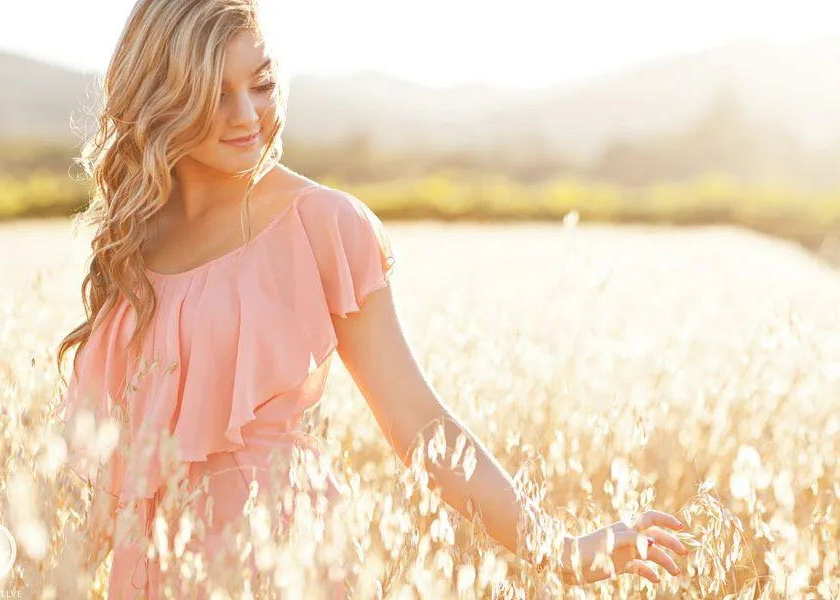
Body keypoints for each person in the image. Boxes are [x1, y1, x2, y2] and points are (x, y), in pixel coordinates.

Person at [54, 0, 689, 597]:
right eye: (215, 95)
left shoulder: (321, 223)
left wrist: (562, 549)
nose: (247, 115)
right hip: (154, 567)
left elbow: (418, 422)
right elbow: (112, 461)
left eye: (262, 84)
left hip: (278, 558)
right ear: (162, 98)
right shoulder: (133, 239)